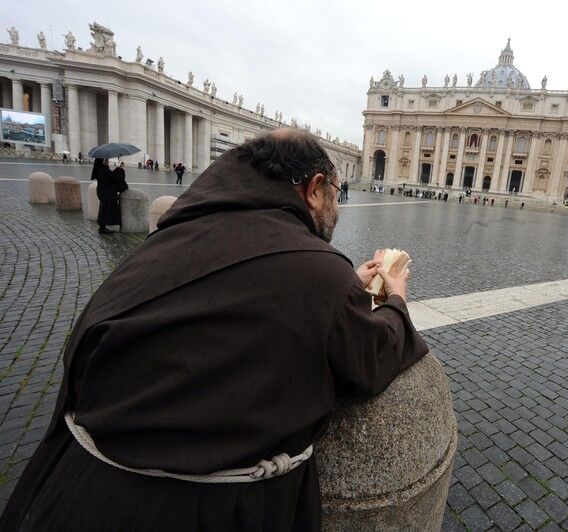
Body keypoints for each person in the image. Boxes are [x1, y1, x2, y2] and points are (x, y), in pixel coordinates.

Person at [1, 129, 427, 531]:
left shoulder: (171, 236)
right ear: (314, 188)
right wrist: (397, 302)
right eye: (334, 194)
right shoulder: (318, 271)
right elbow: (370, 356)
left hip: (65, 485)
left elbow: (246, 288)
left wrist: (344, 286)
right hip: (196, 513)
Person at [92, 158, 128, 234]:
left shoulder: (101, 169)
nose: (107, 160)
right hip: (107, 194)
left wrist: (118, 169)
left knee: (104, 209)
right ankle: (102, 229)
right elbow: (117, 177)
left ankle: (102, 228)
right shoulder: (104, 170)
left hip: (103, 193)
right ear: (102, 161)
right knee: (106, 210)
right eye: (106, 159)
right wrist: (121, 169)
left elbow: (111, 176)